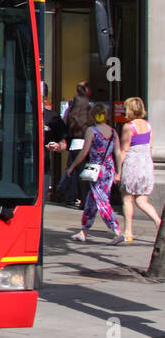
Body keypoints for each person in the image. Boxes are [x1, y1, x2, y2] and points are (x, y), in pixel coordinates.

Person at [66, 101, 123, 244]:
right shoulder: (113, 132)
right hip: (109, 169)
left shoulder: (91, 131)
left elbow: (84, 152)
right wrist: (118, 173)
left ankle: (117, 230)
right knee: (92, 200)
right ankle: (83, 231)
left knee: (102, 200)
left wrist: (72, 166)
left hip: (96, 169)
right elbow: (118, 153)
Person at [119, 97, 161, 243]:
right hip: (146, 164)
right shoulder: (148, 126)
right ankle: (158, 222)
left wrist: (118, 170)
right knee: (142, 200)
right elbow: (149, 147)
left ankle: (128, 232)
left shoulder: (129, 127)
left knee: (127, 199)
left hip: (133, 164)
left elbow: (124, 150)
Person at [63, 80, 93, 208]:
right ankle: (84, 201)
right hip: (85, 144)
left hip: (74, 144)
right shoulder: (89, 108)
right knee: (84, 175)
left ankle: (70, 195)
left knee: (74, 171)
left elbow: (67, 124)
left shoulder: (72, 109)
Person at [41, 82, 69, 199]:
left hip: (43, 168)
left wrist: (58, 146)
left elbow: (64, 141)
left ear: (45, 98)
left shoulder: (52, 117)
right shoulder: (17, 114)